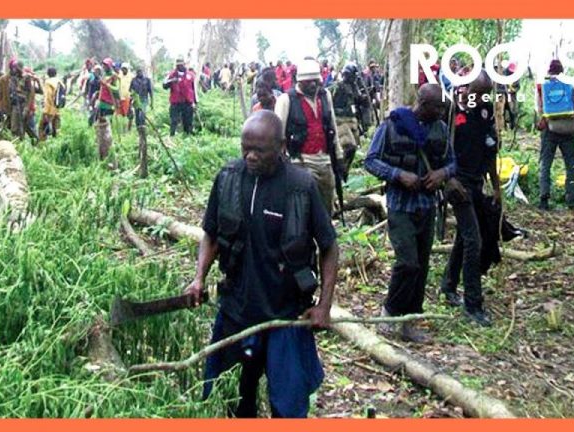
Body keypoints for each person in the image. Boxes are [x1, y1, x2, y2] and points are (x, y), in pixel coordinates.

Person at [186, 110, 338, 418]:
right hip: (236, 311)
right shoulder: (228, 177)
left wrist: (324, 305)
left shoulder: (301, 187)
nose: (250, 156)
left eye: (260, 150)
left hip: (285, 314)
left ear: (281, 146)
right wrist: (198, 278)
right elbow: (211, 234)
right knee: (231, 399)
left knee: (288, 406)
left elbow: (329, 247)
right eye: (245, 148)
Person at [363, 84, 456, 343]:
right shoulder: (392, 125)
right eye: (437, 106)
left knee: (422, 265)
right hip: (400, 205)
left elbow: (452, 162)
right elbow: (371, 160)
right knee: (407, 262)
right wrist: (398, 174)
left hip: (426, 207)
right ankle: (389, 313)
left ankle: (409, 321)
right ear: (423, 103)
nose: (441, 110)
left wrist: (442, 174)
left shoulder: (441, 129)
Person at [439, 72, 500, 327]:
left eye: (483, 93)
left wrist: (496, 187)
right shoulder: (452, 113)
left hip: (477, 183)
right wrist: (448, 181)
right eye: (475, 91)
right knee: (474, 240)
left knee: (466, 238)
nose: (478, 97)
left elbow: (490, 152)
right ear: (465, 89)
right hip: (457, 184)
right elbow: (439, 152)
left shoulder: (486, 113)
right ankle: (473, 305)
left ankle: (449, 285)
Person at [274, 59, 343, 215]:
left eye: (315, 81)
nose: (313, 85)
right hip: (300, 160)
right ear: (300, 82)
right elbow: (278, 134)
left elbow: (332, 126)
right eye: (308, 82)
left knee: (326, 204)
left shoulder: (325, 96)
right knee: (304, 207)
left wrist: (338, 155)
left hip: (324, 159)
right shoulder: (286, 100)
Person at [535, 59, 574, 210]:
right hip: (569, 128)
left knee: (546, 163)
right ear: (562, 71)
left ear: (549, 70)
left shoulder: (543, 85)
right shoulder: (568, 82)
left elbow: (538, 108)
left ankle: (544, 198)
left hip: (550, 128)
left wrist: (544, 117)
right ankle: (571, 199)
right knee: (570, 164)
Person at [332, 63, 367, 178]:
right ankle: (339, 170)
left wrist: (365, 98)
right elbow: (332, 104)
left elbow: (357, 99)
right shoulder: (338, 86)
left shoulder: (354, 86)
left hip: (353, 119)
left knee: (354, 147)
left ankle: (343, 171)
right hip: (341, 120)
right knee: (349, 147)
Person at [162, 58, 196, 136]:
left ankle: (188, 137)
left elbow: (194, 89)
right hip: (175, 103)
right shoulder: (171, 74)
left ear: (184, 64)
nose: (180, 66)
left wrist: (194, 102)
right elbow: (164, 85)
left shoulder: (190, 75)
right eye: (178, 65)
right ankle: (172, 136)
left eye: (181, 64)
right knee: (174, 121)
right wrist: (171, 81)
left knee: (188, 121)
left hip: (187, 102)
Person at [38, 67, 62, 140]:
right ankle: (56, 144)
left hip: (49, 110)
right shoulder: (60, 82)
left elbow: (48, 97)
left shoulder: (48, 83)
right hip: (58, 109)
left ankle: (42, 145)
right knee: (56, 129)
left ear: (48, 74)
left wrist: (46, 111)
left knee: (41, 127)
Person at [96, 57, 120, 122]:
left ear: (109, 66)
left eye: (106, 65)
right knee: (99, 121)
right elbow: (102, 88)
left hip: (109, 104)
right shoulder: (104, 74)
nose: (104, 67)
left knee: (107, 122)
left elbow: (117, 89)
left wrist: (108, 85)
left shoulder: (114, 75)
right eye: (103, 65)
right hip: (101, 102)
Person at [0, 59, 17, 130]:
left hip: (16, 107)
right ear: (11, 68)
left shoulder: (19, 79)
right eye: (14, 67)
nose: (16, 69)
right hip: (5, 106)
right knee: (5, 127)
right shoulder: (3, 79)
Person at [116, 63, 135, 129]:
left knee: (130, 113)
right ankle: (121, 127)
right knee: (120, 114)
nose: (124, 70)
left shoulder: (132, 76)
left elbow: (134, 87)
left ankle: (129, 128)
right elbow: (118, 86)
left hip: (129, 97)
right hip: (120, 97)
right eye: (123, 69)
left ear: (128, 69)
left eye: (125, 69)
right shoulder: (119, 76)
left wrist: (133, 96)